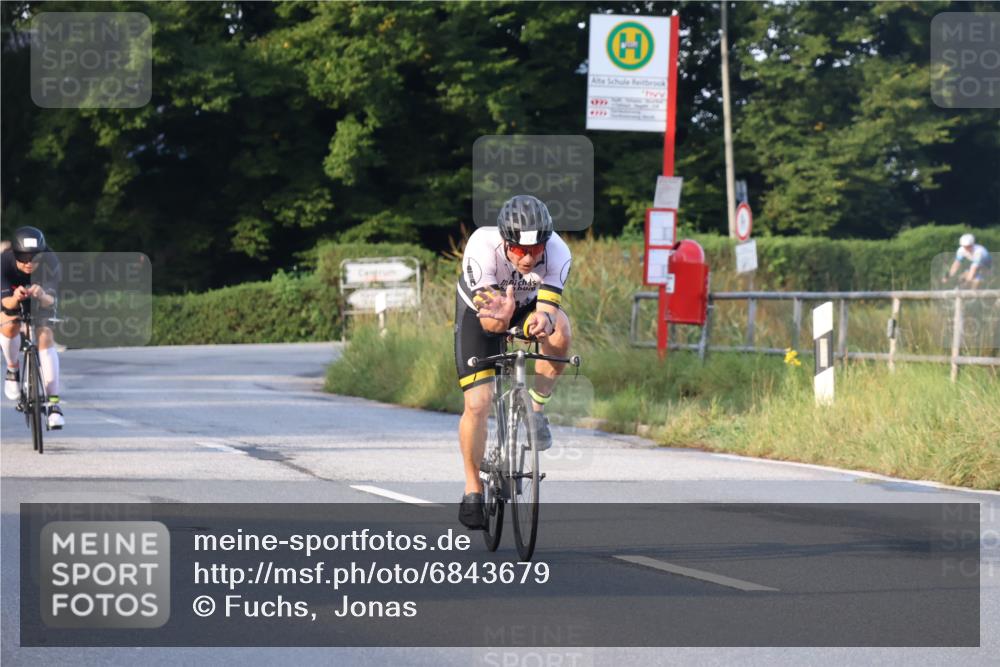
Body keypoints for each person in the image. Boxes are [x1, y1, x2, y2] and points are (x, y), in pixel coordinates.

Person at [454, 195, 573, 529]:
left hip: (526, 307)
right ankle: (473, 487)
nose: (528, 258)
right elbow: (491, 323)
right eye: (519, 250)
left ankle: (536, 411)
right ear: (506, 241)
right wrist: (501, 319)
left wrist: (544, 322)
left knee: (562, 332)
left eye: (535, 250)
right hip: (484, 309)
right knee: (478, 403)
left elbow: (549, 309)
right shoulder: (482, 246)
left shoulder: (559, 252)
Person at [1, 226, 64, 428]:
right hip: (12, 298)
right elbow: (5, 304)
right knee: (9, 324)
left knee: (45, 336)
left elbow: (51, 300)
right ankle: (12, 370)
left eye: (34, 259)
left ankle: (54, 404)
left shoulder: (51, 261)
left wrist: (41, 294)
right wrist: (15, 297)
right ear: (15, 255)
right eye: (24, 260)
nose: (29, 264)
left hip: (41, 299)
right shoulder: (4, 262)